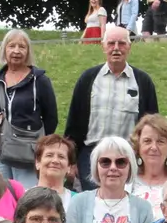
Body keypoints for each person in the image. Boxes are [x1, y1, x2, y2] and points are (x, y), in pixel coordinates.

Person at [63, 25, 159, 182]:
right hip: (92, 155)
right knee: (93, 197)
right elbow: (73, 123)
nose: (116, 48)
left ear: (129, 47)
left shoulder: (143, 81)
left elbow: (153, 125)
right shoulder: (88, 78)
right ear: (103, 46)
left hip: (128, 156)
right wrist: (71, 161)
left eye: (121, 43)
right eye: (111, 43)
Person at [0, 29, 58, 188]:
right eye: (12, 46)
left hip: (27, 155)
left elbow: (51, 118)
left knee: (27, 196)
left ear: (28, 51)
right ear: (4, 49)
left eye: (22, 47)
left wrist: (39, 145)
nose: (16, 51)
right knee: (0, 196)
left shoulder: (40, 81)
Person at [128, 114, 167, 208]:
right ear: (138, 146)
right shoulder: (127, 180)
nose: (154, 147)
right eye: (147, 141)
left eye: (160, 141)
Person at [34, 135, 75, 203]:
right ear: (37, 163)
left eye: (61, 157)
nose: (55, 161)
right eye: (49, 155)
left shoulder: (78, 200)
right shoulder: (22, 197)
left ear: (69, 167)